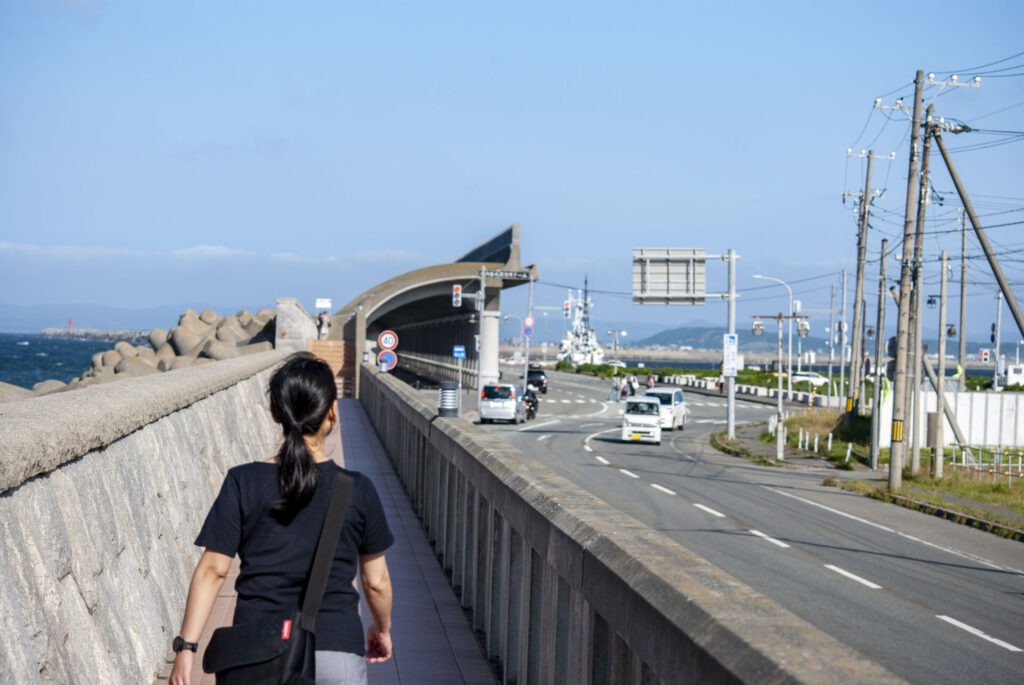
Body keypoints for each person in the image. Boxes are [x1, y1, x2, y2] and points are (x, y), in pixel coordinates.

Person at [169, 352, 394, 685]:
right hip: (334, 652)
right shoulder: (357, 490)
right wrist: (382, 628)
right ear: (332, 411)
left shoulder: (242, 481)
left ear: (276, 414)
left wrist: (187, 648)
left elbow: (213, 570)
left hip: (257, 653)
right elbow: (376, 581)